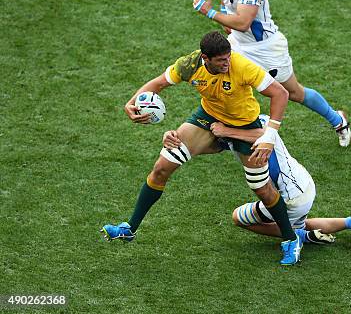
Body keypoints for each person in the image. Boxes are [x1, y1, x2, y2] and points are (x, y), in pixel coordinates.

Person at [101, 31, 304, 266]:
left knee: (261, 188)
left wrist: (269, 136)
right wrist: (131, 102)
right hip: (207, 119)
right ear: (206, 59)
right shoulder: (189, 64)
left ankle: (290, 239)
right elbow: (158, 84)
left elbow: (280, 93)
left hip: (244, 125)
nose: (227, 63)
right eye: (221, 60)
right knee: (162, 167)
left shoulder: (242, 66)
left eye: (228, 57)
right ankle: (129, 228)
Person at [192, 0, 351, 148]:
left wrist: (210, 13)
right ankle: (227, 131)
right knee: (221, 77)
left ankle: (338, 121)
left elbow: (243, 23)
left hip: (266, 49)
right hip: (238, 45)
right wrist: (224, 14)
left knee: (294, 93)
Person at [208, 114, 351, 246]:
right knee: (302, 224)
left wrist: (225, 130)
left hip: (290, 198)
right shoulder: (259, 119)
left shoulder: (259, 130)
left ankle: (300, 237)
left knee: (239, 218)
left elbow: (261, 135)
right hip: (304, 184)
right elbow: (211, 145)